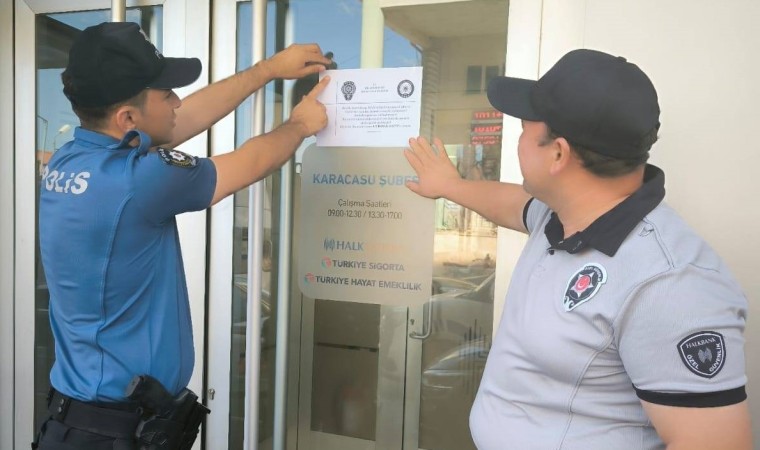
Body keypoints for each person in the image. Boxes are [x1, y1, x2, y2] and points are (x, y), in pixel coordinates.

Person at [403, 49, 751, 449]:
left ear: (558, 153)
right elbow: (513, 204)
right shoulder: (560, 215)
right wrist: (451, 186)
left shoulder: (670, 284)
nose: (518, 140)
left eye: (524, 129)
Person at [34, 21, 331, 449]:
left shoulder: (71, 159)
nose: (177, 100)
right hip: (111, 433)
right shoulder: (140, 180)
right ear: (128, 118)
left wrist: (268, 70)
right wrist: (300, 125)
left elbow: (183, 118)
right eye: (166, 93)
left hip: (84, 423)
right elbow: (251, 161)